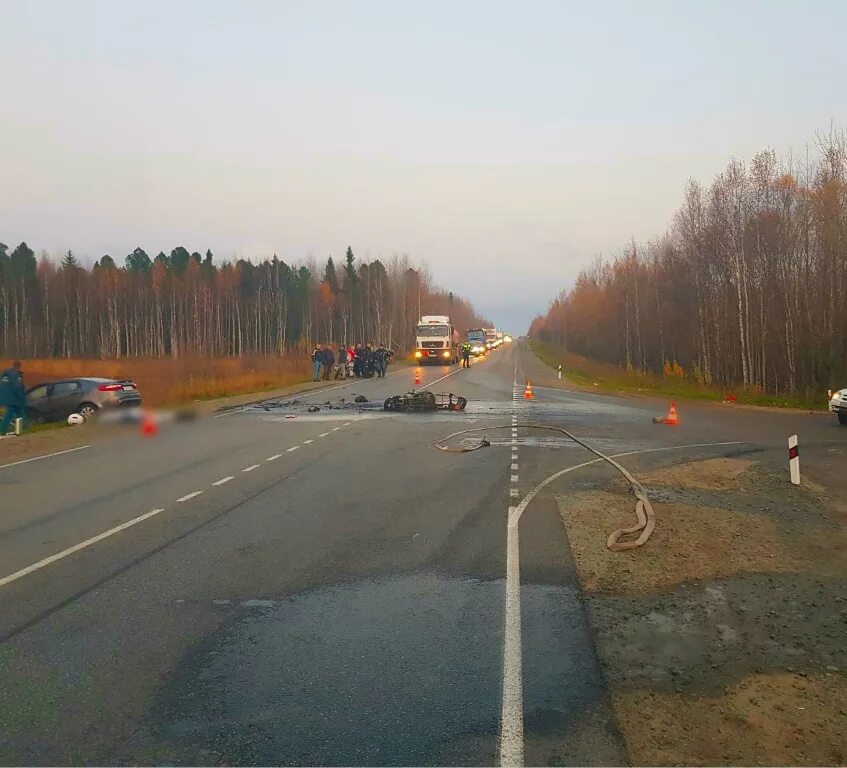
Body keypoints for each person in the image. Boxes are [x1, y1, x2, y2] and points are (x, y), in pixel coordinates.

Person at [0, 361, 26, 436]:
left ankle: (25, 427)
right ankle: (2, 429)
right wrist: (22, 397)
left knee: (19, 412)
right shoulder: (15, 374)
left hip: (5, 397)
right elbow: (17, 387)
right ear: (18, 366)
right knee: (10, 413)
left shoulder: (5, 373)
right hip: (13, 398)